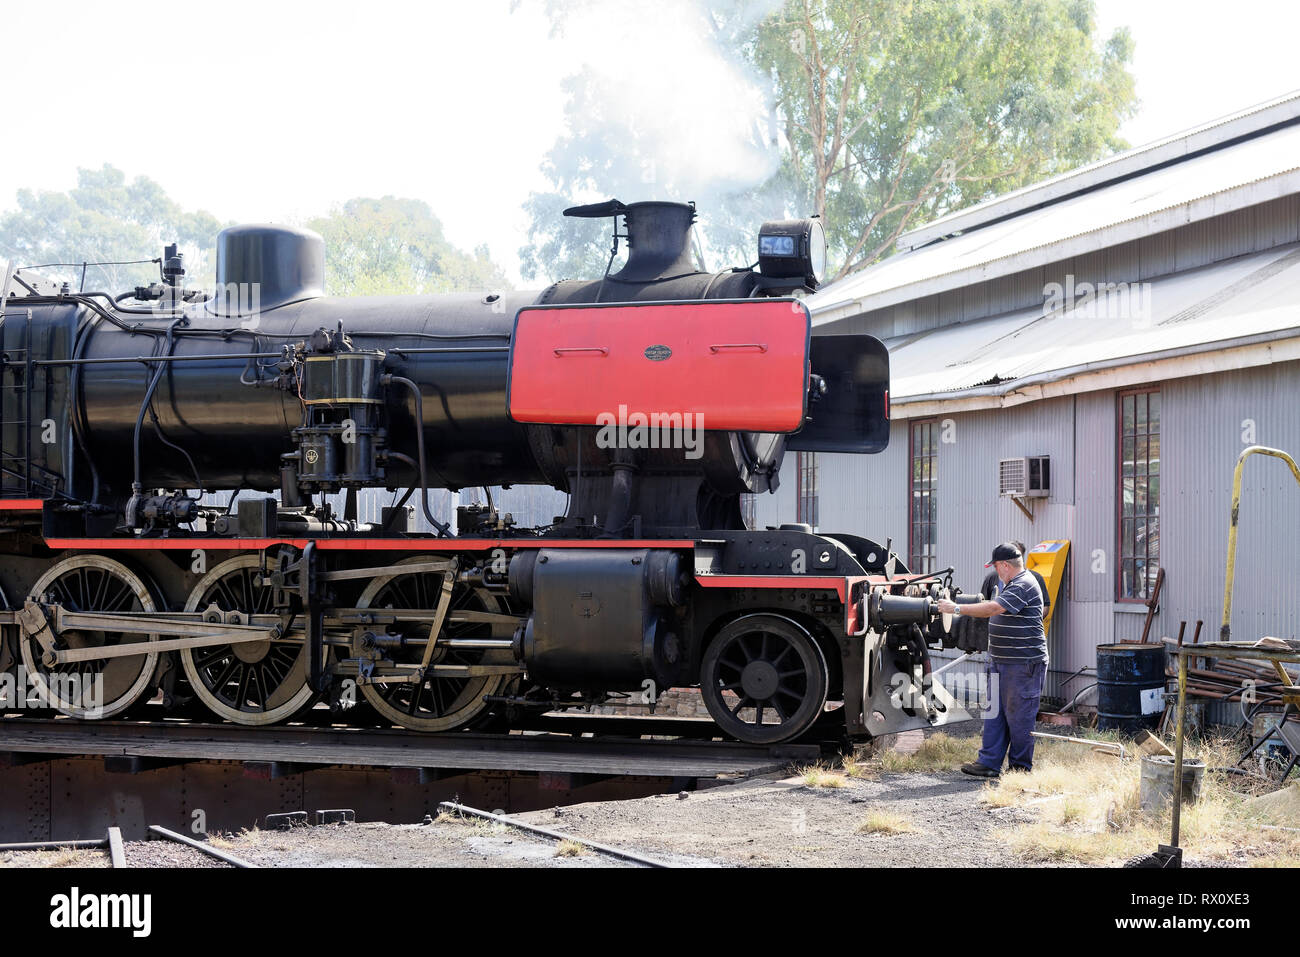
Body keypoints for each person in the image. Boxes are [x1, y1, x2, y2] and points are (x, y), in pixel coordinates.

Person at [937, 542, 1046, 777]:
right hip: (1001, 660)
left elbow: (992, 609)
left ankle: (1019, 769)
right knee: (994, 713)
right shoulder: (1008, 584)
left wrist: (956, 609)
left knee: (1019, 717)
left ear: (1005, 565)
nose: (996, 571)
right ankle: (989, 762)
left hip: (1022, 664)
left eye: (997, 566)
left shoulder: (1023, 584)